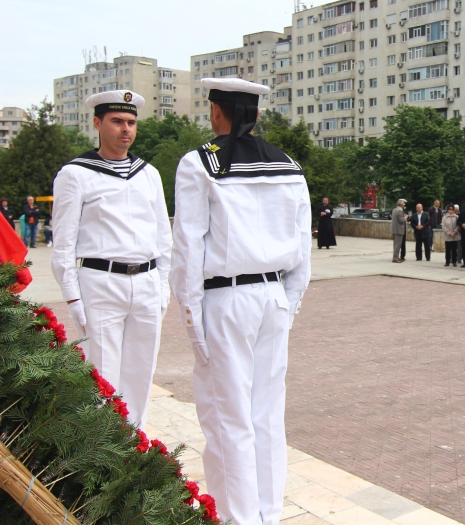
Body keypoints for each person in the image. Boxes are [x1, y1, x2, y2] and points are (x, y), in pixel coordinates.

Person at [170, 78, 311, 524]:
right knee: (267, 416)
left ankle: (237, 518)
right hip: (272, 296)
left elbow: (189, 247)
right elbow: (302, 248)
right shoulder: (288, 165)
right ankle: (267, 516)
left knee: (228, 417)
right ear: (254, 114)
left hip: (226, 299)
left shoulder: (200, 164)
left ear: (217, 113)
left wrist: (192, 317)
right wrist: (288, 303)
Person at [51, 90, 172, 428]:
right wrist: (72, 295)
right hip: (100, 283)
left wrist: (162, 286)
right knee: (103, 376)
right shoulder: (76, 174)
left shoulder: (148, 173)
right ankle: (102, 452)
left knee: (140, 372)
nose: (126, 129)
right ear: (97, 123)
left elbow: (164, 236)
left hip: (146, 282)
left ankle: (134, 449)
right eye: (117, 121)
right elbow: (63, 242)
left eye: (131, 122)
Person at [391, 198, 409, 263]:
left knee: (396, 244)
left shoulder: (394, 210)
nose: (404, 205)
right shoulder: (399, 211)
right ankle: (395, 258)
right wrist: (406, 217)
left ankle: (396, 257)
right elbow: (401, 220)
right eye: (404, 204)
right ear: (402, 204)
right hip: (399, 230)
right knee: (397, 245)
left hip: (395, 229)